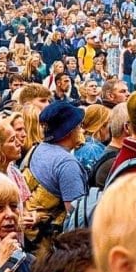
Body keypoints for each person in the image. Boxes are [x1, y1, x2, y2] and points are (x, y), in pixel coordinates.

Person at [22, 101, 86, 245]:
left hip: (28, 238)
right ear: (70, 131)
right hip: (47, 245)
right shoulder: (66, 164)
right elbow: (76, 216)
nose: (82, 131)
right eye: (79, 126)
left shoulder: (37, 149)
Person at [73, 105, 111, 172]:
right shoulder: (92, 149)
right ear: (101, 126)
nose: (111, 128)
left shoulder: (84, 143)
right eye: (110, 124)